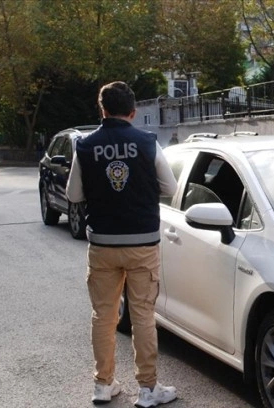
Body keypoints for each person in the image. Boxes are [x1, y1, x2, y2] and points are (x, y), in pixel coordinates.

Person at [66, 81, 178, 407]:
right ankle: (147, 389)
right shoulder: (147, 142)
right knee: (143, 314)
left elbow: (74, 195)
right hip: (143, 242)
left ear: (101, 110)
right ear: (133, 111)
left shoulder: (85, 146)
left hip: (102, 243)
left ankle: (103, 384)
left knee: (103, 315)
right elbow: (169, 188)